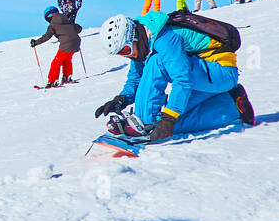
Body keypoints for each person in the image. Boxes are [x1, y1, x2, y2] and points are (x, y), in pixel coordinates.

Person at [93, 12, 254, 142]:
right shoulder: (142, 42)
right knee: (169, 123)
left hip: (221, 72)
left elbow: (182, 80)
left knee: (157, 63)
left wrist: (169, 118)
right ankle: (232, 106)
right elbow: (136, 77)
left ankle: (144, 122)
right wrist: (121, 99)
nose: (126, 56)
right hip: (206, 76)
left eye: (125, 51)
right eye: (121, 54)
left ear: (132, 37)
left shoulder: (165, 38)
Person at [31, 5, 83, 87]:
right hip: (76, 43)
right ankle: (67, 77)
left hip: (66, 44)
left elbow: (47, 37)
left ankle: (52, 81)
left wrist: (36, 42)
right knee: (67, 58)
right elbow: (79, 28)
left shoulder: (53, 25)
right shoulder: (67, 19)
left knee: (56, 62)